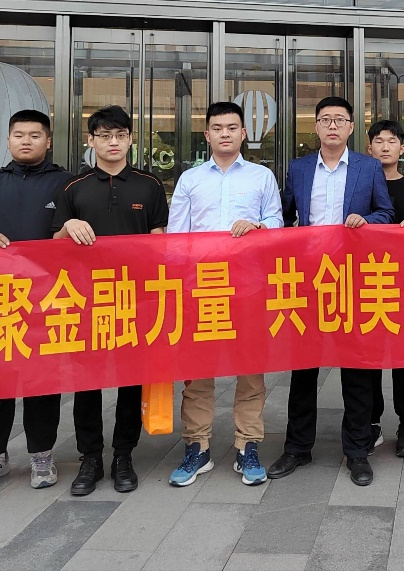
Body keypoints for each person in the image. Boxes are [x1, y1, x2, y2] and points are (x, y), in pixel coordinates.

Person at [270, 96, 394, 487]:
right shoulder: (299, 168)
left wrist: (367, 220)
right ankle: (297, 447)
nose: (333, 126)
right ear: (317, 127)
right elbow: (284, 217)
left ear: (352, 127)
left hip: (352, 279)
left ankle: (357, 450)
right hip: (308, 279)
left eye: (340, 119)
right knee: (303, 367)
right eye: (326, 120)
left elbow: (386, 213)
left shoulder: (368, 167)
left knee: (356, 368)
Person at [51, 105, 169, 496]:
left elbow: (160, 240)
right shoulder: (73, 187)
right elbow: (53, 244)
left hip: (134, 299)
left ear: (131, 139)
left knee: (130, 381)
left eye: (120, 135)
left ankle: (123, 455)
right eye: (104, 136)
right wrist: (68, 225)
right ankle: (90, 457)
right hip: (85, 301)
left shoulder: (149, 185)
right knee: (86, 382)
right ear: (91, 140)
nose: (112, 142)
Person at [166, 101, 282, 488]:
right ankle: (196, 447)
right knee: (197, 372)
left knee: (250, 370)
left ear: (243, 133)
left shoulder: (262, 177)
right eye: (218, 128)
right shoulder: (190, 180)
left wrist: (259, 226)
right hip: (202, 286)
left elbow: (278, 223)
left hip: (248, 285)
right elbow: (176, 237)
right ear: (207, 135)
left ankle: (248, 445)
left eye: (232, 127)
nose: (225, 134)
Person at [0, 109, 73, 493]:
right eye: (19, 135)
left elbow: (79, 225)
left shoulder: (66, 183)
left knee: (44, 378)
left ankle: (42, 454)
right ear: (8, 140)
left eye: (35, 135)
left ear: (48, 141)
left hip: (49, 296)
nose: (26, 141)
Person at [365, 119, 404, 457]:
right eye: (379, 141)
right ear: (369, 147)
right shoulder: (360, 184)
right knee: (368, 357)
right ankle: (372, 421)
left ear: (401, 147)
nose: (385, 147)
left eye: (391, 141)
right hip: (367, 280)